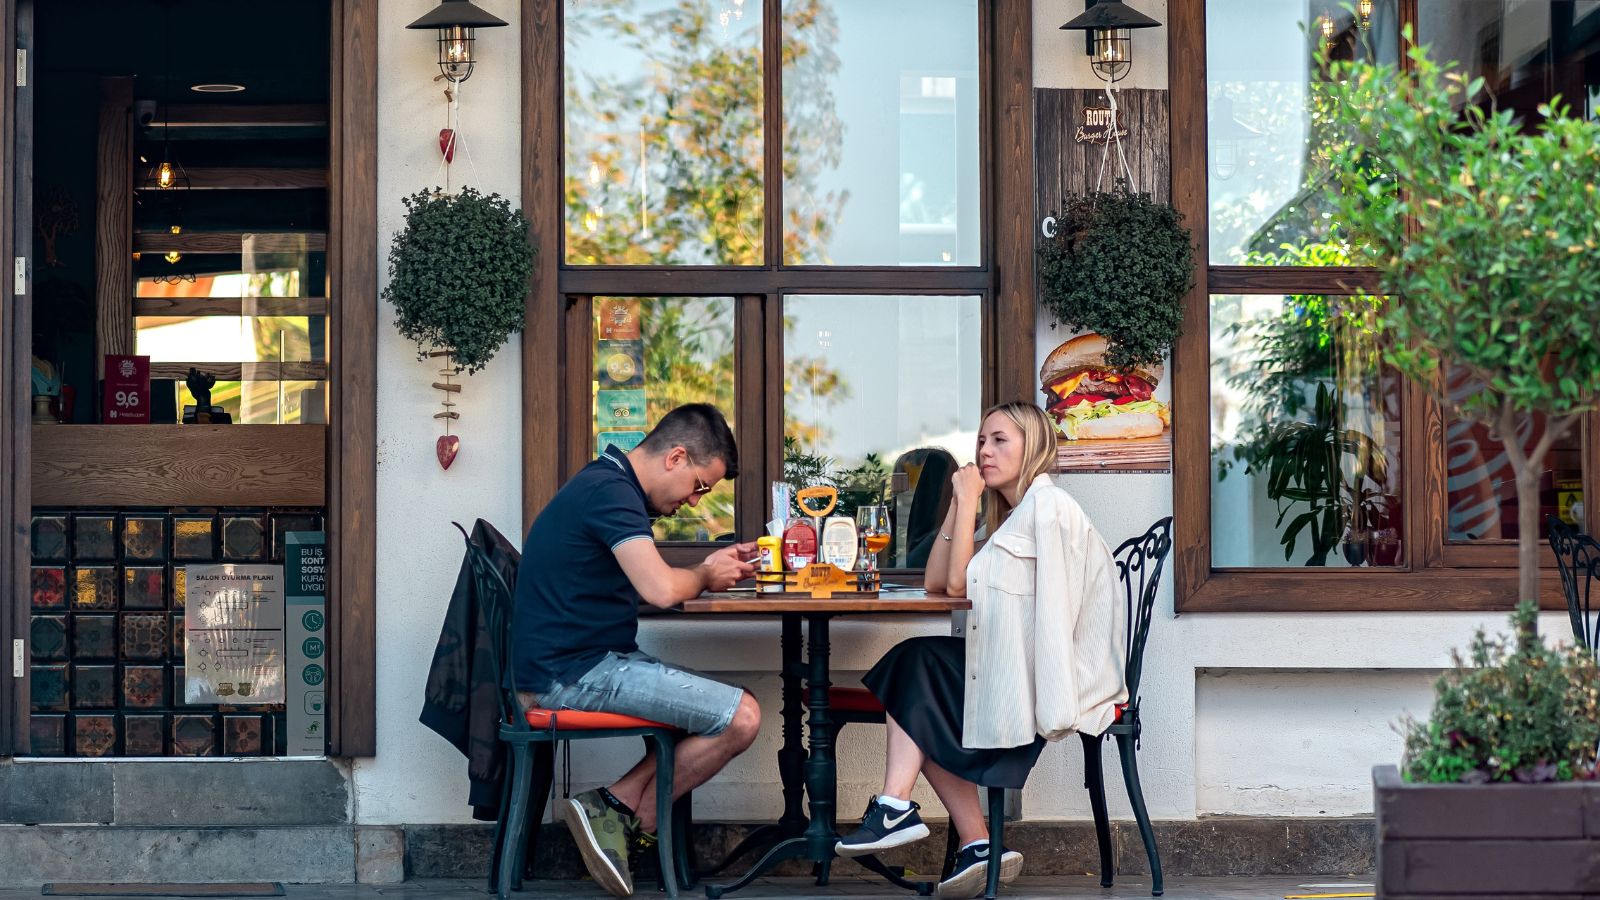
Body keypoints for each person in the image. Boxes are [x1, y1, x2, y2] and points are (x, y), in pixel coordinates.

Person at [835, 401, 1128, 899]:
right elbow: (938, 584)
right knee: (916, 678)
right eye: (981, 441)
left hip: (1045, 673)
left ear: (1031, 447)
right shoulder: (1014, 517)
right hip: (1010, 658)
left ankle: (898, 808)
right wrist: (957, 503)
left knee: (914, 670)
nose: (984, 451)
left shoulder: (1049, 507)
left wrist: (968, 498)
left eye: (999, 441)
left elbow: (959, 584)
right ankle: (968, 840)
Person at [512, 403, 762, 899]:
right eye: (701, 486)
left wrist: (704, 572)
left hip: (578, 665)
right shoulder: (611, 494)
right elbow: (662, 590)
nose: (695, 501)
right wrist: (707, 575)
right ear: (676, 457)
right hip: (568, 677)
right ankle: (615, 807)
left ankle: (619, 813)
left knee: (729, 708)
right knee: (742, 717)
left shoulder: (606, 485)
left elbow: (658, 581)